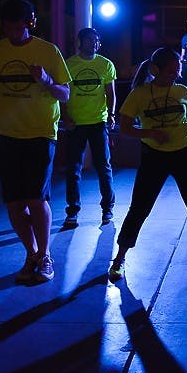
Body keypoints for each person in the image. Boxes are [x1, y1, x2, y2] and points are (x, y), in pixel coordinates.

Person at [108, 47, 187, 281]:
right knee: (139, 208)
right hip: (154, 155)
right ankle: (120, 258)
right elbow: (125, 128)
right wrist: (151, 133)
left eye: (177, 71)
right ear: (155, 70)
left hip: (185, 152)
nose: (175, 76)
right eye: (171, 71)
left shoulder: (181, 90)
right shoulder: (139, 94)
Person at [0, 0, 71, 285]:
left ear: (31, 23)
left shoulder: (48, 51)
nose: (14, 34)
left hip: (40, 132)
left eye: (20, 28)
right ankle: (30, 254)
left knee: (35, 197)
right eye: (8, 29)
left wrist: (45, 80)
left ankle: (44, 255)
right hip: (6, 133)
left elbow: (65, 94)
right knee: (14, 202)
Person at [61, 27, 117, 228]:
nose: (93, 43)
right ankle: (73, 211)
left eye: (96, 40)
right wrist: (66, 117)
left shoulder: (106, 64)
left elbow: (110, 93)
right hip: (76, 124)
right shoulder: (69, 65)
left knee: (104, 167)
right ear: (79, 42)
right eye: (89, 40)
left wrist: (111, 114)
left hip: (98, 122)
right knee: (73, 169)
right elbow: (63, 96)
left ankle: (107, 209)